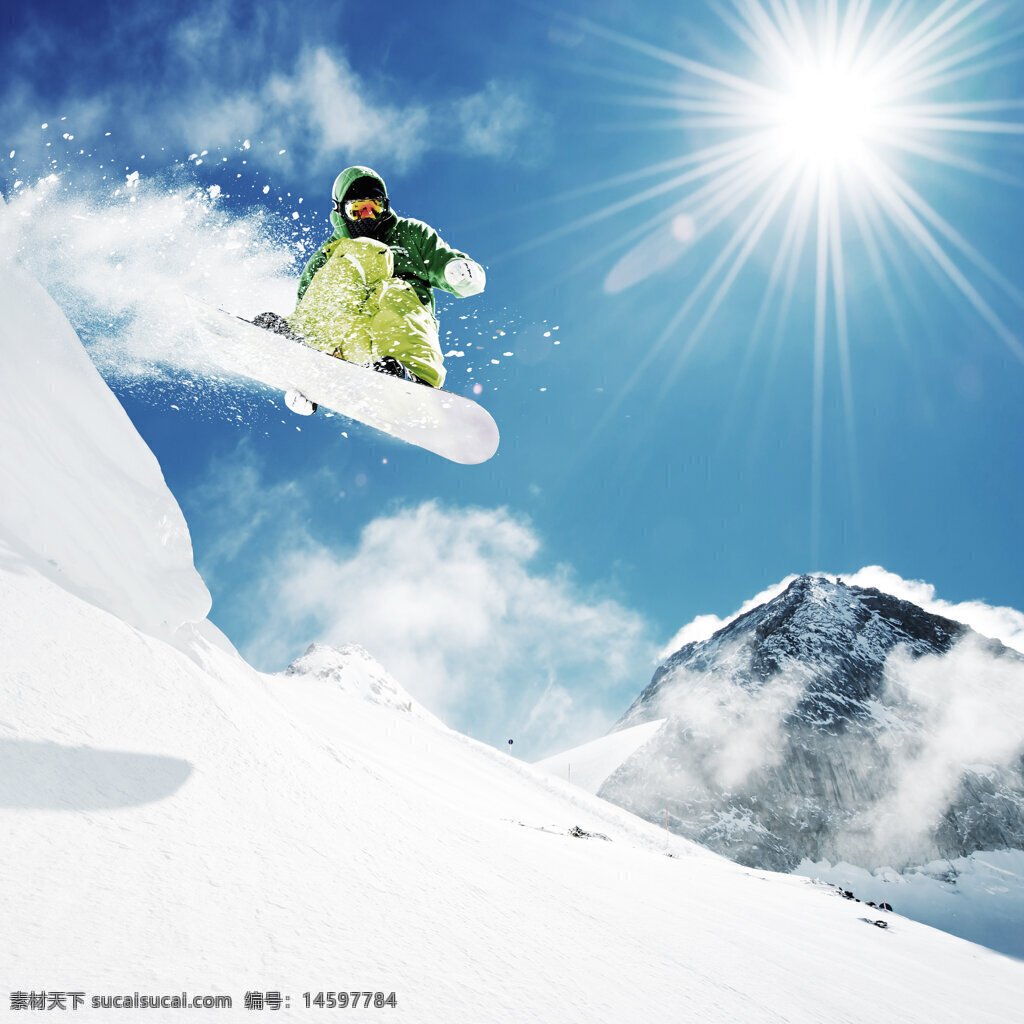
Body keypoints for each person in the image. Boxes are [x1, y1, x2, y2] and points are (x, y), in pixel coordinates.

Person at [255, 165, 485, 414]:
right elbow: (311, 301)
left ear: (384, 206)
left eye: (373, 208)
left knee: (393, 288)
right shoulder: (329, 253)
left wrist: (460, 272)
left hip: (392, 342)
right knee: (353, 253)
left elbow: (449, 264)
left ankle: (411, 375)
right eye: (357, 210)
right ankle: (304, 344)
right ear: (341, 213)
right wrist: (304, 378)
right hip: (344, 344)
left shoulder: (409, 234)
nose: (367, 216)